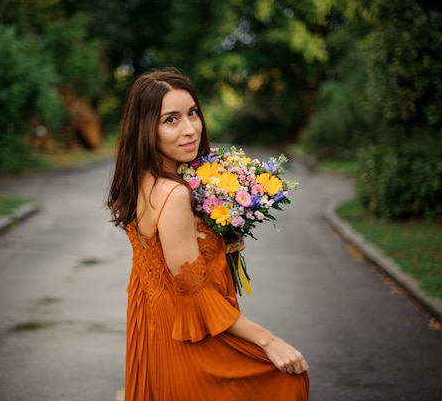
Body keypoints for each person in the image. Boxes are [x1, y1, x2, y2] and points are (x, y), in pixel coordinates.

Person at [107, 69, 309, 400]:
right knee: (289, 381)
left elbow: (165, 256)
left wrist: (220, 240)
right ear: (146, 129)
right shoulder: (174, 195)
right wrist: (269, 340)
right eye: (170, 120)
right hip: (185, 341)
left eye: (192, 113)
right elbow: (194, 293)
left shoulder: (143, 180)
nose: (189, 129)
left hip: (155, 330)